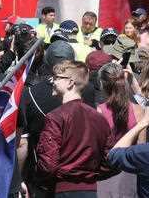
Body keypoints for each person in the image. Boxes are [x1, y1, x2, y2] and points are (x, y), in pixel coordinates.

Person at [36, 61, 113, 197]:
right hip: (91, 191)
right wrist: (90, 176)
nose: (52, 81)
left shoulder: (56, 117)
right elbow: (110, 160)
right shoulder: (99, 118)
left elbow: (48, 164)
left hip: (62, 190)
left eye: (56, 77)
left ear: (70, 83)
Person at [20, 40, 75, 197]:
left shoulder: (29, 93)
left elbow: (22, 143)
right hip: (76, 175)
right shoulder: (88, 89)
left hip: (41, 174)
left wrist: (19, 177)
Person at [96, 62, 144, 198]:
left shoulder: (99, 112)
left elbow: (97, 150)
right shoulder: (138, 110)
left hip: (106, 176)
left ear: (102, 84)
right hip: (131, 175)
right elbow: (142, 148)